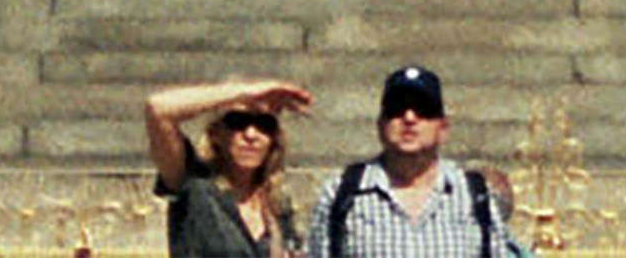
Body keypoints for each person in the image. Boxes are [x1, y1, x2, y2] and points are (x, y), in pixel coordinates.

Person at [313, 66, 516, 258]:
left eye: (423, 110)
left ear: (443, 129)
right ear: (381, 124)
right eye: (397, 109)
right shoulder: (342, 194)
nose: (409, 118)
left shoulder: (475, 195)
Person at [149, 76, 319, 258]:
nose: (251, 135)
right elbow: (158, 109)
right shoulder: (194, 184)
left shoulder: (276, 204)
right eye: (237, 122)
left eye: (264, 125)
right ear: (216, 134)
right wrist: (244, 93)